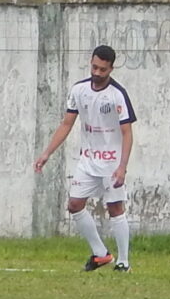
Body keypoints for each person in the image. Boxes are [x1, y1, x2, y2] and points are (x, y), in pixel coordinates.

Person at [33, 43, 136, 271]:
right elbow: (66, 124)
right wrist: (46, 153)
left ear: (111, 69)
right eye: (94, 67)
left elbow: (127, 133)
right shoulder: (79, 90)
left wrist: (122, 167)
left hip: (111, 162)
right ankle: (101, 254)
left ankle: (123, 262)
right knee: (74, 205)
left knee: (115, 208)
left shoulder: (118, 95)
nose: (97, 73)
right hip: (88, 160)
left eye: (102, 69)